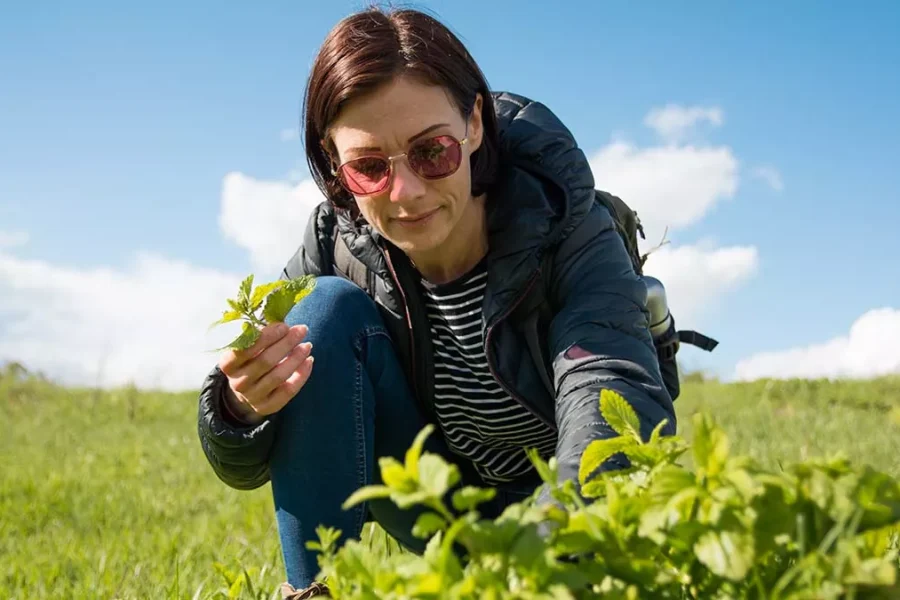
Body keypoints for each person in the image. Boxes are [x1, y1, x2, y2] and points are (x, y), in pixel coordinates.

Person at [196, 6, 680, 598]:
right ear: (333, 163)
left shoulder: (567, 223)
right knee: (319, 313)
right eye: (370, 168)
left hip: (567, 516)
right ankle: (317, 590)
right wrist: (241, 409)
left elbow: (606, 388)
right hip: (441, 508)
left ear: (474, 123)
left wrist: (538, 556)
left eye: (432, 152)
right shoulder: (333, 242)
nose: (406, 192)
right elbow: (241, 463)